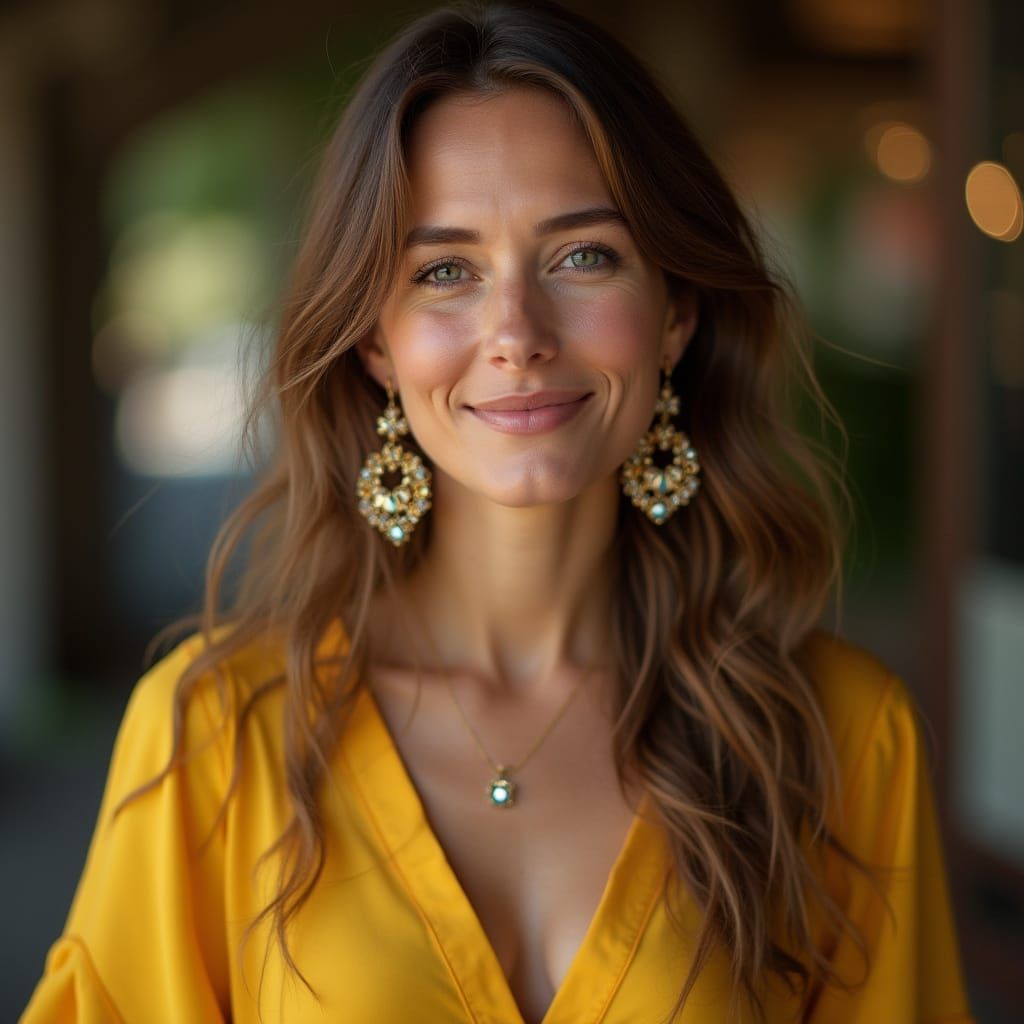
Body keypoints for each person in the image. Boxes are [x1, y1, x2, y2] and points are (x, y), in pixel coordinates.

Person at [22, 2, 973, 1022]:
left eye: (582, 257)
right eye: (444, 272)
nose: (515, 332)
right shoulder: (213, 736)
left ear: (676, 314)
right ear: (376, 344)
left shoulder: (838, 736)